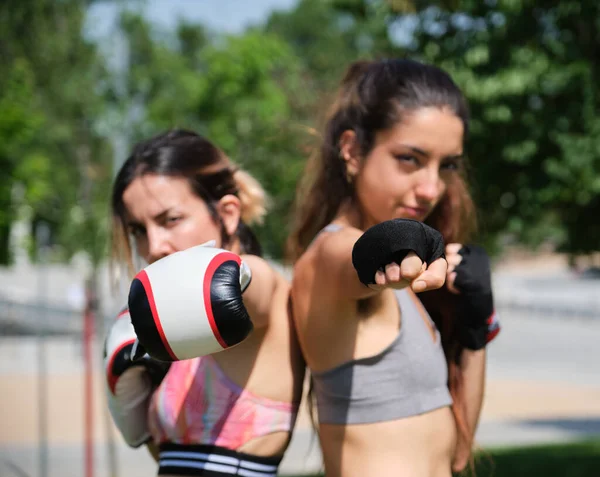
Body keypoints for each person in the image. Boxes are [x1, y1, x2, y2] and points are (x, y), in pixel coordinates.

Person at [287, 58, 499, 477]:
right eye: (409, 159)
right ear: (351, 151)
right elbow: (359, 255)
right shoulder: (328, 258)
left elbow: (456, 455)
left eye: (447, 165)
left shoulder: (410, 294)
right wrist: (408, 242)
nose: (432, 188)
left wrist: (476, 326)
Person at [103, 129, 305, 477]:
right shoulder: (183, 327)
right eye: (138, 230)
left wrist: (230, 282)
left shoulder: (259, 286)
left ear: (227, 214)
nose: (153, 246)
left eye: (171, 220)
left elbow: (252, 285)